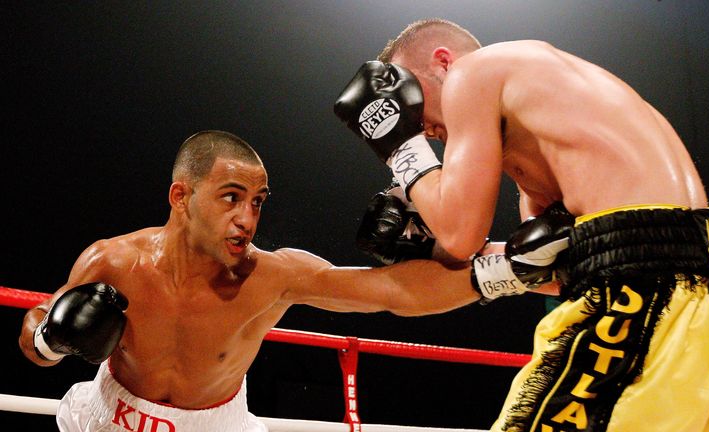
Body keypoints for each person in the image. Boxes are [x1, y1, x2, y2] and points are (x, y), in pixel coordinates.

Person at [334, 18, 709, 432]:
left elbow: (461, 237)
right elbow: (548, 272)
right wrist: (428, 249)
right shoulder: (550, 127)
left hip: (643, 299)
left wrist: (399, 145)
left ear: (442, 61)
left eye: (405, 94)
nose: (414, 120)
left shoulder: (474, 72)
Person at [18, 130, 486, 432]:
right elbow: (35, 335)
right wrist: (49, 340)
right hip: (108, 415)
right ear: (181, 197)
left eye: (258, 202)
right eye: (231, 198)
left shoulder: (273, 276)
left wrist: (501, 273)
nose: (247, 218)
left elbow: (394, 292)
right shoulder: (114, 261)